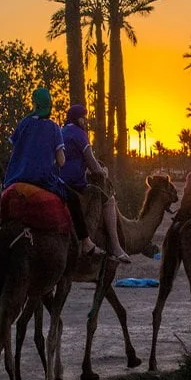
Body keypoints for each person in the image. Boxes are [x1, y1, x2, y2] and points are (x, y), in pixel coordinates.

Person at [3, 88, 103, 258]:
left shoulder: (24, 123)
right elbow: (61, 161)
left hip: (14, 178)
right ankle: (86, 242)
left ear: (34, 104)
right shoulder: (53, 128)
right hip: (42, 180)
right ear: (49, 106)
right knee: (72, 199)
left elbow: (14, 146)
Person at [60, 104, 130, 263]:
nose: (85, 121)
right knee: (109, 200)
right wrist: (103, 172)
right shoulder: (79, 134)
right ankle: (115, 246)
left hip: (58, 182)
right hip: (74, 184)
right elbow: (91, 162)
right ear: (79, 118)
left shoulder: (61, 131)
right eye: (84, 118)